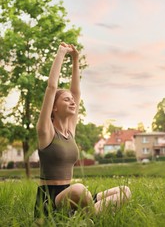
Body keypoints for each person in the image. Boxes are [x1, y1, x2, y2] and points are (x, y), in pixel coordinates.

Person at [34, 42, 131, 219]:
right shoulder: (46, 131)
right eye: (66, 100)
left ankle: (85, 216)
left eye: (72, 100)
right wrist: (61, 54)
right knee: (78, 188)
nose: (72, 102)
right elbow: (51, 87)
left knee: (125, 191)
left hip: (73, 197)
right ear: (54, 108)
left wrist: (76, 59)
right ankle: (91, 217)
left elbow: (76, 93)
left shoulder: (70, 130)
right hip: (50, 201)